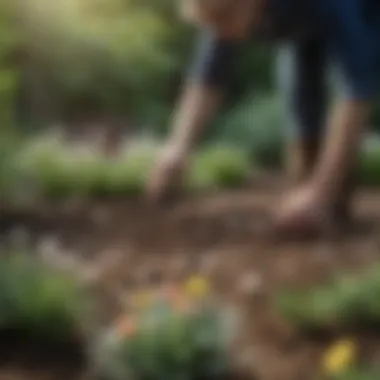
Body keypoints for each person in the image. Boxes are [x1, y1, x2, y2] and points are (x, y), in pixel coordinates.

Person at [147, 0, 379, 236]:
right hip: (302, 20)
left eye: (221, 22)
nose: (218, 32)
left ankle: (326, 198)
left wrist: (321, 190)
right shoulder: (227, 10)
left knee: (332, 78)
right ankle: (309, 202)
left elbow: (355, 94)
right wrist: (177, 148)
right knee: (299, 91)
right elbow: (209, 73)